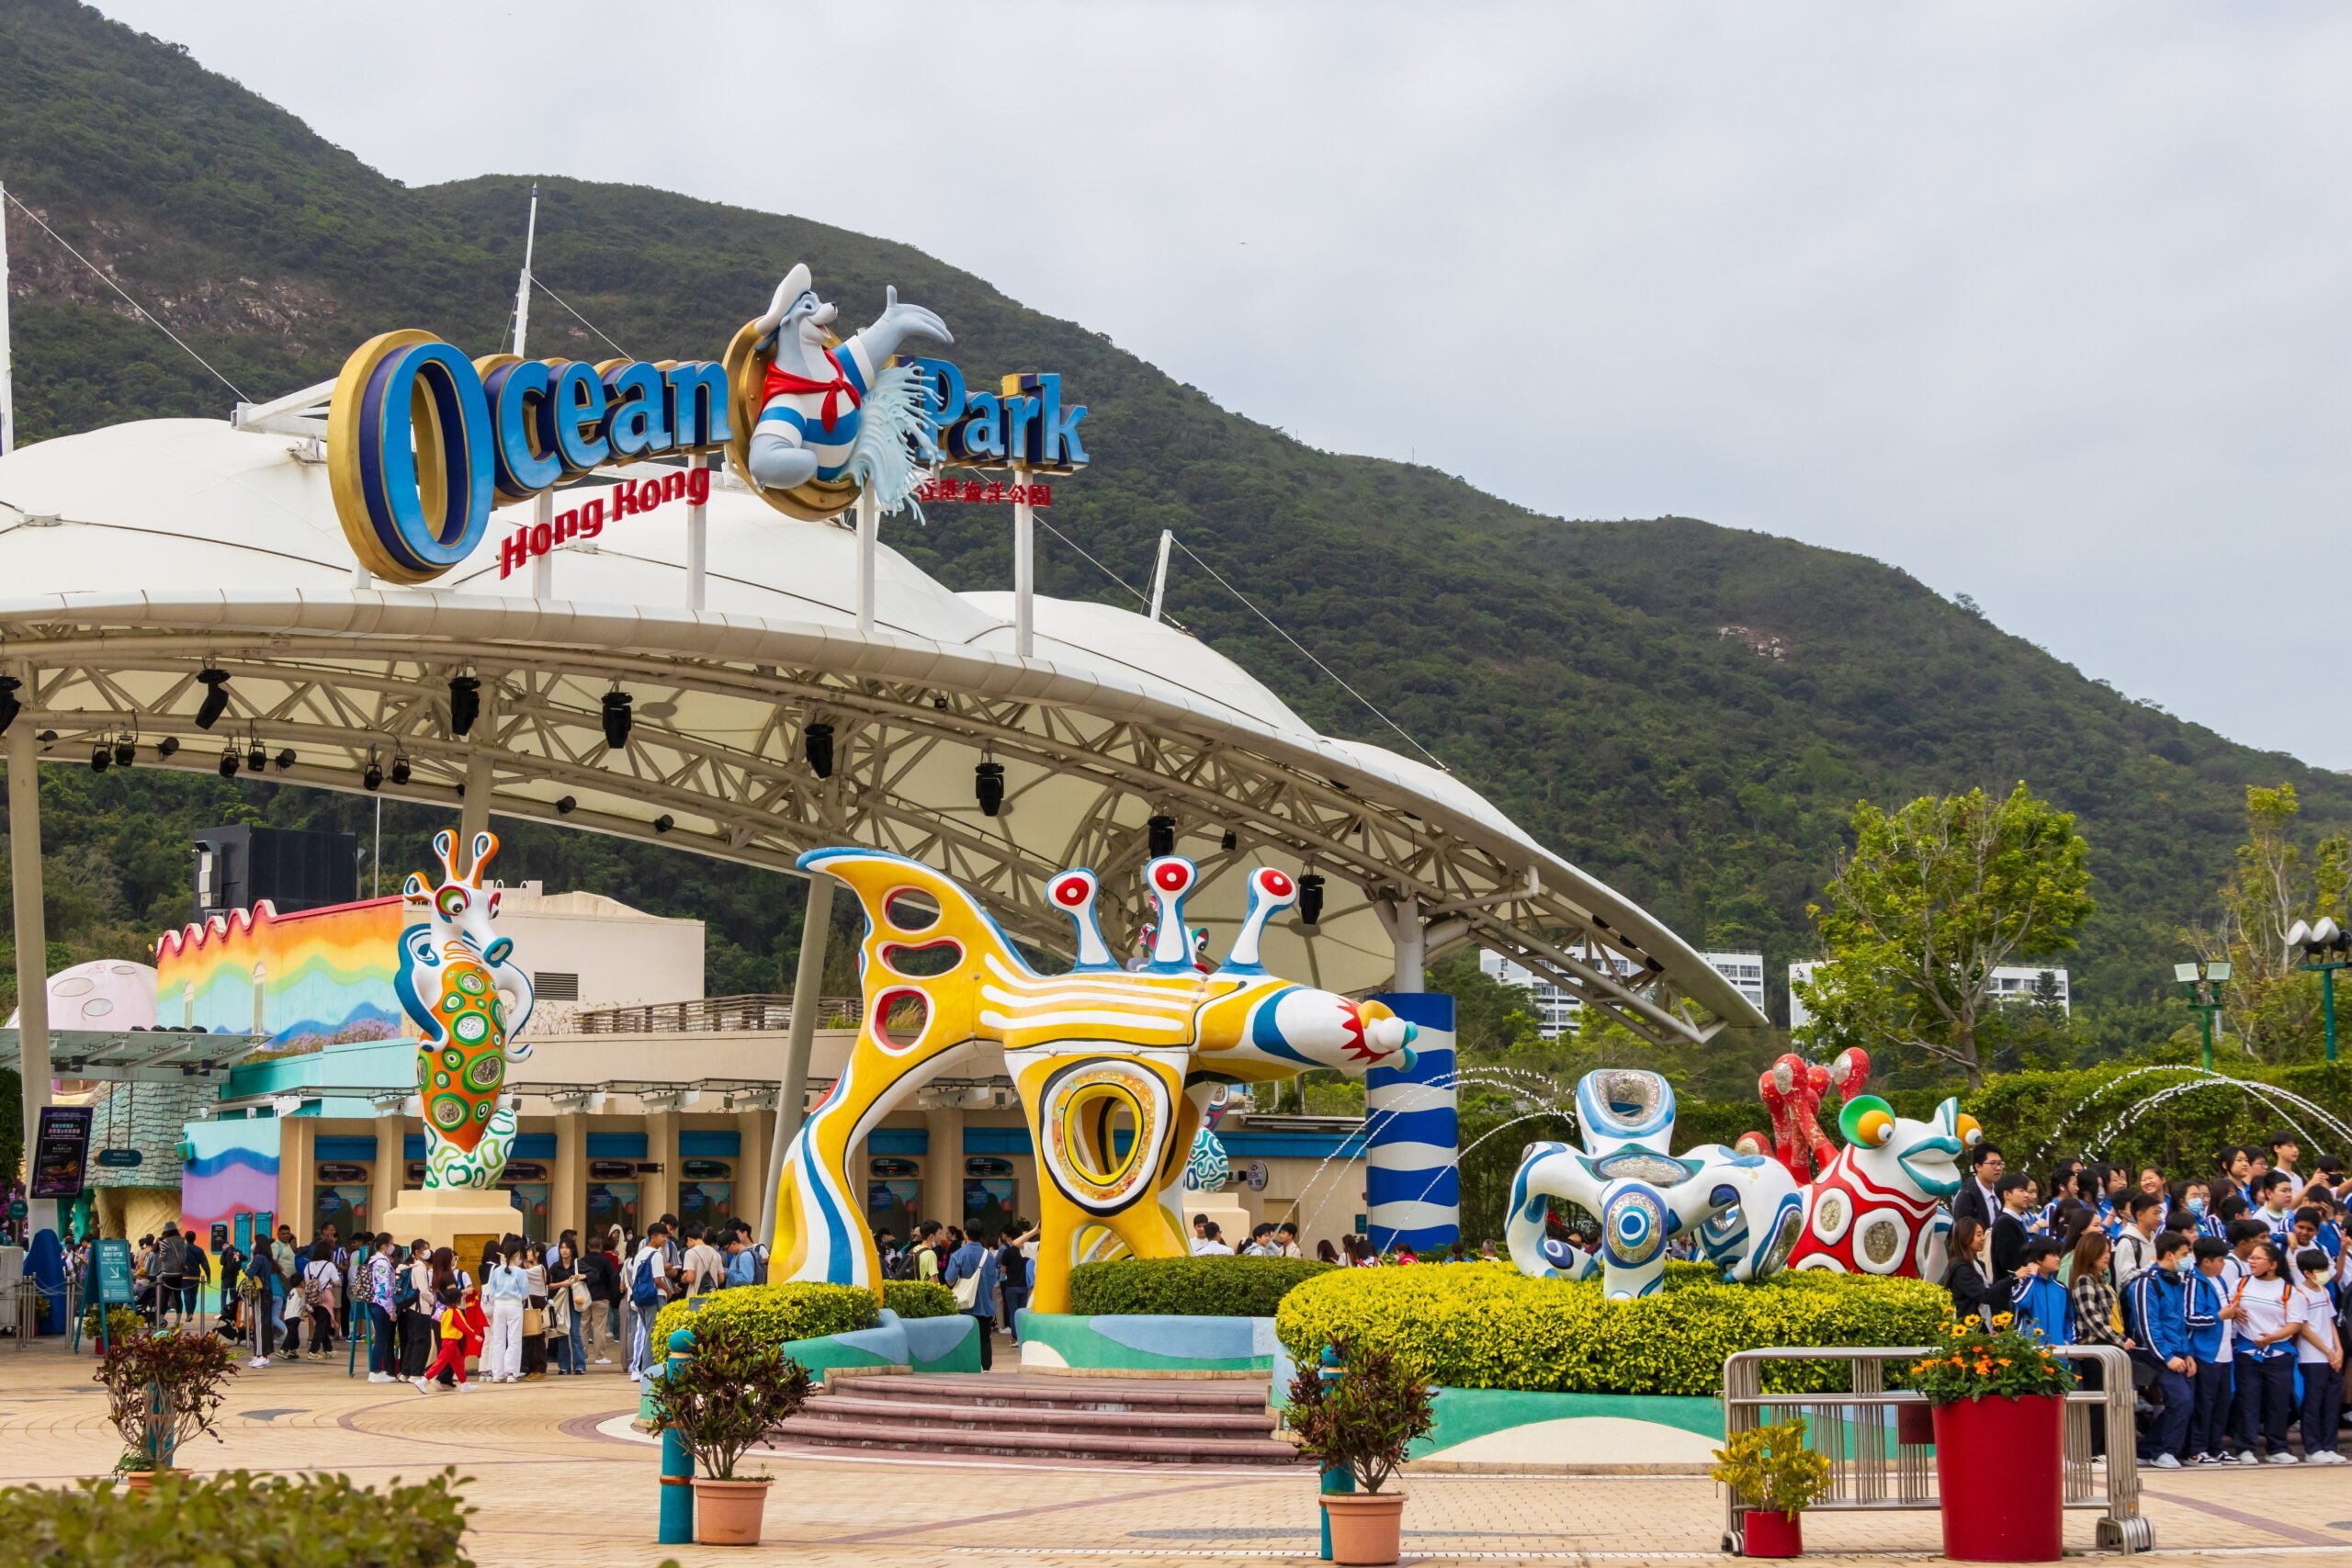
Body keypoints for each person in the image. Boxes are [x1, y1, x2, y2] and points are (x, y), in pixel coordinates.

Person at [2120, 1232, 2193, 1467]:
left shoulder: (2176, 1282)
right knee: (2181, 1400)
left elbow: (2179, 1323)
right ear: (2170, 1255)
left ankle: (2148, 1450)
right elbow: (2147, 1326)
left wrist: (2187, 1352)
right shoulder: (2146, 1283)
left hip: (2175, 1351)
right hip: (2153, 1353)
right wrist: (2168, 1357)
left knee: (2185, 1401)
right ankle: (2162, 1451)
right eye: (2184, 1254)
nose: (2188, 1259)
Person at [2226, 1241, 2303, 1464]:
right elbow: (2229, 1308)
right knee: (2247, 1401)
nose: (2252, 1261)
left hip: (2279, 1355)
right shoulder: (2241, 1285)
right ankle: (2245, 1448)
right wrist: (2234, 1312)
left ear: (2272, 1265)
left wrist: (2273, 1338)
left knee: (2277, 1403)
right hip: (2247, 1352)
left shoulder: (2289, 1291)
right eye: (2250, 1257)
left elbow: (2295, 1323)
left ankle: (2277, 1447)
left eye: (2258, 1258)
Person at [2183, 1236, 2234, 1466]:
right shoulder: (2195, 1282)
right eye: (2221, 1260)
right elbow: (2190, 1317)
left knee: (2222, 1403)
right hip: (2205, 1353)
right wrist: (2218, 1316)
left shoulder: (2219, 1280)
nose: (2224, 1264)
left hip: (2224, 1352)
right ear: (2206, 1262)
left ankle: (2215, 1447)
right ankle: (2196, 1449)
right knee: (2204, 1404)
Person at [2291, 1247, 2346, 1464]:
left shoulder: (2323, 1291)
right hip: (2312, 1357)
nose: (2325, 1274)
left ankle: (2329, 1446)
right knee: (2313, 1404)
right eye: (2320, 1270)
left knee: (2331, 1403)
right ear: (2307, 1273)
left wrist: (2338, 1349)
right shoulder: (2300, 1295)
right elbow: (2303, 1328)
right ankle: (2313, 1448)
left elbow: (2330, 1321)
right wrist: (2327, 1350)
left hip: (2331, 1356)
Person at [943, 1228, 1001, 1371]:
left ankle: (967, 1367)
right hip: (985, 1305)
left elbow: (950, 1280)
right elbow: (992, 1281)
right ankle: (986, 1368)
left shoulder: (958, 1254)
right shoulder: (988, 1256)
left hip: (964, 1306)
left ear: (965, 1233)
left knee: (964, 1338)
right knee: (985, 1338)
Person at [625, 1224, 672, 1381]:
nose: (665, 1239)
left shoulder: (639, 1254)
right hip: (655, 1296)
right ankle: (648, 1370)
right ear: (653, 1237)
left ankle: (644, 1368)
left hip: (640, 1297)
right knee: (653, 1333)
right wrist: (669, 1291)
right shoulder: (656, 1255)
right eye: (663, 1236)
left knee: (647, 1332)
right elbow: (657, 1279)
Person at [2007, 1238, 2073, 1345]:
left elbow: (2068, 1319)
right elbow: (2022, 1302)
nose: (2058, 1259)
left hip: (2058, 1356)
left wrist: (2068, 1341)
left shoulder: (2061, 1289)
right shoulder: (2021, 1284)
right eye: (2053, 1255)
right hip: (2030, 1355)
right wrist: (2031, 1276)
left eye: (2058, 1255)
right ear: (2038, 1259)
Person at [415, 1279, 474, 1394]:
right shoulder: (455, 1312)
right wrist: (474, 1335)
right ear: (458, 1300)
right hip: (451, 1342)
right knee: (441, 1363)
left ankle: (464, 1383)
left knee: (458, 1363)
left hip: (449, 1341)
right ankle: (423, 1380)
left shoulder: (446, 1311)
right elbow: (463, 1326)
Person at [481, 1241, 528, 1383]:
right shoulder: (520, 1272)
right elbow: (525, 1293)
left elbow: (493, 1290)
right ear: (517, 1254)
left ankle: (497, 1373)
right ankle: (511, 1373)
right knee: (514, 1340)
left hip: (499, 1306)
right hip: (514, 1305)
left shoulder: (497, 1271)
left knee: (498, 1340)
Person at [1944, 1216, 1998, 1325]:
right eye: (1979, 1235)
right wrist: (2012, 1278)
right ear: (1965, 1237)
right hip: (1969, 1330)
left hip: (1984, 1326)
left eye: (1983, 1234)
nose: (1983, 1238)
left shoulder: (1978, 1264)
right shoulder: (1960, 1268)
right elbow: (1984, 1295)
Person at [1989, 1172, 2038, 1291]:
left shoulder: (2015, 1221)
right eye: (2021, 1191)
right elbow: (2009, 1265)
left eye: (2027, 1191)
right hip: (2011, 1295)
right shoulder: (2005, 1223)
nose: (2027, 1195)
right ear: (2007, 1195)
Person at [363, 1235, 400, 1382]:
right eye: (391, 1243)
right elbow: (383, 1288)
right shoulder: (381, 1263)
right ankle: (375, 1371)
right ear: (384, 1245)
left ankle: (376, 1370)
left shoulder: (374, 1261)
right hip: (381, 1304)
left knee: (380, 1337)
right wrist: (391, 1310)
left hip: (375, 1303)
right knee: (380, 1338)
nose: (393, 1246)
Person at [2111, 1192, 2163, 1285]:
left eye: (2160, 1213)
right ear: (2140, 1215)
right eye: (2155, 1213)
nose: (2159, 1218)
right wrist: (2151, 1266)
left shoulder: (2156, 1239)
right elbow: (2124, 1280)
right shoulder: (2127, 1242)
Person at [300, 1239, 340, 1359]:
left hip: (311, 1297)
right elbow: (336, 1282)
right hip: (325, 1297)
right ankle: (313, 1350)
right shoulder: (329, 1265)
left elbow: (307, 1280)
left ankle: (328, 1349)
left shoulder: (308, 1265)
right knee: (322, 1324)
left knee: (320, 1323)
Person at [1952, 1144, 2005, 1231]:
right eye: (1993, 1163)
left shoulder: (2002, 1191)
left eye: (2000, 1163)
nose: (1998, 1168)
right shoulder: (1966, 1196)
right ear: (1978, 1167)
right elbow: (1963, 1234)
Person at [994, 1223, 1032, 1342]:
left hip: (1011, 1286)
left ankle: (1015, 1337)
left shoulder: (1008, 1252)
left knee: (1013, 1312)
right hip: (1025, 1285)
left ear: (1011, 1238)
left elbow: (1003, 1270)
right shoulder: (1027, 1251)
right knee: (1023, 1312)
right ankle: (1023, 1335)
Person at [522, 1241, 550, 1379]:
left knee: (538, 1337)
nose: (527, 1253)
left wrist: (508, 1264)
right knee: (531, 1337)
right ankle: (533, 1369)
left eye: (529, 1251)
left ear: (537, 1253)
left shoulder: (539, 1268)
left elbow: (521, 1274)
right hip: (531, 1302)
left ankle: (540, 1369)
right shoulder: (534, 1268)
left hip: (537, 1303)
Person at [681, 1224, 726, 1300]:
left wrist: (684, 1278)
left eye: (687, 1243)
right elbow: (721, 1278)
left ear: (689, 1239)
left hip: (695, 1298)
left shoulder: (690, 1253)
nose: (688, 1246)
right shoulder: (716, 1254)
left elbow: (690, 1278)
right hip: (712, 1297)